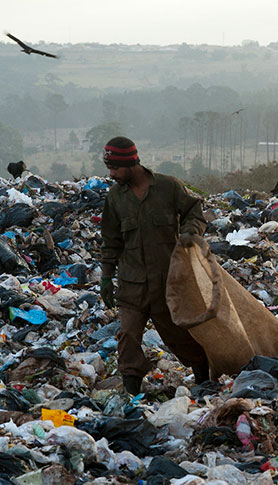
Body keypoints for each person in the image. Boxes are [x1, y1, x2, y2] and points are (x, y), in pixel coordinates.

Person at [99, 136, 211, 395]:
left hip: (167, 284)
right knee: (127, 337)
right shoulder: (115, 198)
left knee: (179, 338)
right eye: (109, 168)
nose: (112, 174)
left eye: (115, 168)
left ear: (131, 163)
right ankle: (131, 394)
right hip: (131, 284)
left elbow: (195, 210)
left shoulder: (168, 187)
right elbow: (111, 240)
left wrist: (190, 233)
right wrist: (106, 277)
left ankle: (204, 380)